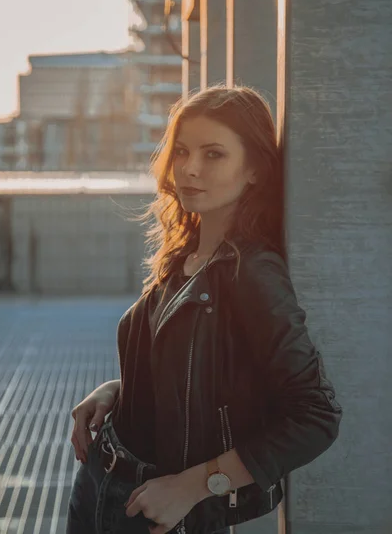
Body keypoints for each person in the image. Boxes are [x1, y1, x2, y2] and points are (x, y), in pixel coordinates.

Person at [66, 85, 343, 534]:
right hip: (101, 481)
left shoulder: (252, 272)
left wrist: (194, 486)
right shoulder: (186, 255)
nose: (189, 169)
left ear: (254, 170)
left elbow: (315, 416)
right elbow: (202, 374)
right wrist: (119, 389)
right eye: (181, 151)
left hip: (157, 508)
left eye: (214, 155)